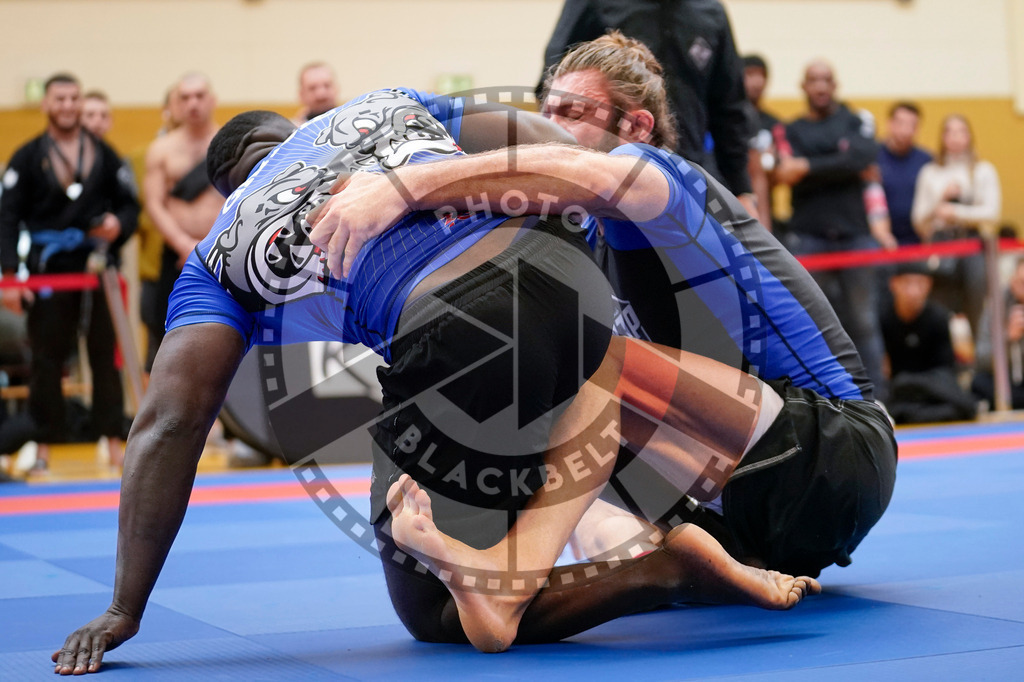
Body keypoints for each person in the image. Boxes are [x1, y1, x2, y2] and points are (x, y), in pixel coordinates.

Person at [52, 87, 821, 674]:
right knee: (555, 415)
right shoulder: (381, 106)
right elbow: (543, 142)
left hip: (456, 332)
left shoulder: (221, 247)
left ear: (230, 188)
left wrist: (125, 607)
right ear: (290, 135)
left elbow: (170, 423)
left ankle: (651, 569)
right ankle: (589, 545)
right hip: (571, 284)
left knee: (434, 610)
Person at [310, 33, 894, 651]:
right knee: (552, 452)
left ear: (635, 126)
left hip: (839, 451)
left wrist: (404, 186)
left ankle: (503, 591)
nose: (545, 127)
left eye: (569, 113)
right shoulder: (577, 249)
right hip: (746, 524)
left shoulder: (666, 180)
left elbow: (587, 175)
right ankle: (633, 568)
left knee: (585, 367)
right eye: (543, 112)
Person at [0, 73, 138, 472]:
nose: (67, 106)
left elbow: (130, 205)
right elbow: (6, 217)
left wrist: (118, 224)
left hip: (96, 266)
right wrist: (9, 275)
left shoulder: (105, 153)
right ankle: (43, 443)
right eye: (59, 99)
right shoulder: (27, 156)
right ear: (46, 104)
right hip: (49, 268)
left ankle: (113, 440)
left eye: (73, 98)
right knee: (47, 357)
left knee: (103, 357)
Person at [539, 1, 754, 208]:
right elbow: (556, 85)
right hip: (609, 180)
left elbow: (729, 109)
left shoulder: (711, 12)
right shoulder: (594, 4)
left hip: (688, 172)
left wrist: (741, 190)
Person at [774, 59, 892, 402]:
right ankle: (821, 405)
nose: (821, 86)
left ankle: (876, 403)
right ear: (803, 86)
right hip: (809, 238)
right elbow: (786, 172)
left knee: (864, 323)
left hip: (856, 237)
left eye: (826, 79)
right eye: (813, 80)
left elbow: (862, 158)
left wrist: (809, 165)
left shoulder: (855, 121)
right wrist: (839, 162)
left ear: (835, 84)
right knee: (808, 326)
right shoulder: (791, 129)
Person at [141, 73, 222, 370]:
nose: (193, 104)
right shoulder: (161, 149)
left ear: (212, 100)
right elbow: (154, 203)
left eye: (200, 96)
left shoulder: (231, 143)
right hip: (177, 255)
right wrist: (183, 244)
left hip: (225, 252)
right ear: (174, 104)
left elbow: (244, 198)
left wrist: (220, 244)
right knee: (171, 335)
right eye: (185, 98)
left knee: (230, 332)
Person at [912, 113, 1001, 336]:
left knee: (977, 306)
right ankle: (945, 364)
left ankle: (982, 364)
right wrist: (940, 201)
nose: (955, 137)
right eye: (949, 131)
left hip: (973, 244)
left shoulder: (983, 170)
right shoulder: (930, 172)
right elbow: (919, 221)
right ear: (942, 137)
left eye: (961, 131)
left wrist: (956, 212)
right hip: (940, 245)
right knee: (939, 308)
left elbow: (992, 214)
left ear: (970, 136)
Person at [881, 262, 976, 423]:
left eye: (919, 283)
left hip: (933, 389)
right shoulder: (883, 318)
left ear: (928, 285)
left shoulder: (939, 317)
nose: (913, 291)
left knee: (962, 401)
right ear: (894, 284)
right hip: (901, 394)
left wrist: (913, 382)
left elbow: (946, 369)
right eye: (907, 283)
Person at [972, 256, 1024, 410]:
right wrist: (1008, 339)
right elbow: (981, 358)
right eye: (1021, 282)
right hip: (1004, 381)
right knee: (979, 383)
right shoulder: (996, 304)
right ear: (1012, 280)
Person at [878, 102, 932, 247]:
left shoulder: (927, 160)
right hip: (879, 240)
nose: (905, 130)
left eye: (912, 125)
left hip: (919, 239)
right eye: (900, 123)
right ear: (890, 124)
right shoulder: (872, 157)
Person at [742, 54, 780, 231]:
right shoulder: (726, 120)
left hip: (760, 207)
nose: (756, 82)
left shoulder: (774, 123)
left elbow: (763, 175)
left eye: (761, 75)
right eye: (750, 74)